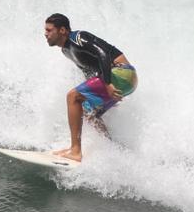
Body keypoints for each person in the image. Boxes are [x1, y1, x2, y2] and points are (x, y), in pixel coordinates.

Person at [44, 13, 137, 162]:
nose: (45, 34)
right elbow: (89, 72)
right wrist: (101, 94)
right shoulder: (66, 50)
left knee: (72, 96)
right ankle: (112, 150)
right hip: (123, 79)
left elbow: (103, 54)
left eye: (49, 30)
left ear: (62, 30)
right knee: (88, 112)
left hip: (122, 72)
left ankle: (75, 151)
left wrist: (107, 85)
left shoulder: (78, 37)